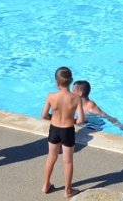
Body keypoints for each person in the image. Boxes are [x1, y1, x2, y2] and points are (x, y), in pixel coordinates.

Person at [41, 66, 84, 197]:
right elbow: (81, 120)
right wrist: (71, 120)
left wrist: (52, 118)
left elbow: (43, 115)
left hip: (54, 129)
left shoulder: (51, 96)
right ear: (71, 81)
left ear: (57, 82)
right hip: (68, 130)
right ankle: (67, 190)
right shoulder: (76, 98)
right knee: (68, 161)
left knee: (51, 157)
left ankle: (46, 185)